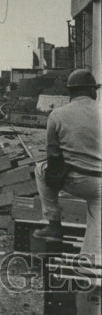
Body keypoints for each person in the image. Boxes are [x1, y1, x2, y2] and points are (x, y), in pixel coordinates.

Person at [34, 69, 101, 259]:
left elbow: (53, 155)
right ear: (91, 91)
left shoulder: (57, 115)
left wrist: (56, 180)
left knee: (40, 169)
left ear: (71, 92)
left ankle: (54, 225)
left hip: (76, 180)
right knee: (96, 222)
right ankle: (90, 266)